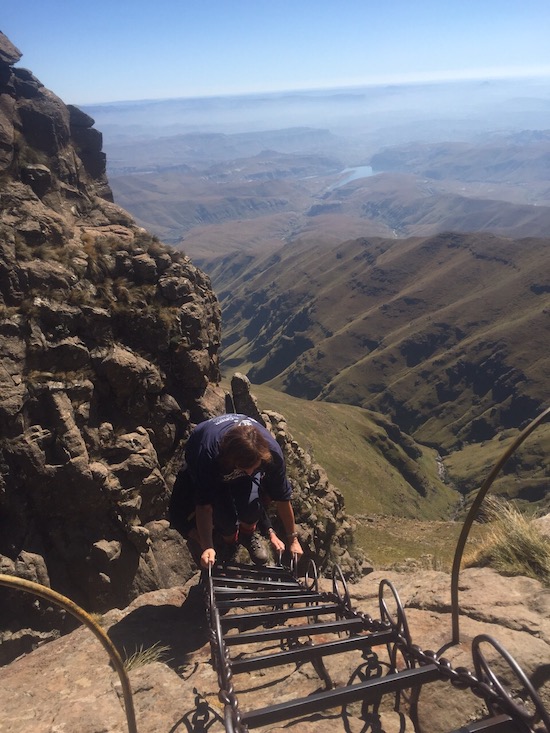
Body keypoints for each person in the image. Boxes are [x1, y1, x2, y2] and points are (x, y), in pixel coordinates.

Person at [169, 413, 303, 568]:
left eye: (254, 467)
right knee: (224, 519)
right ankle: (230, 542)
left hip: (234, 460)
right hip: (208, 457)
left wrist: (293, 540)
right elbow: (204, 506)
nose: (249, 472)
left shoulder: (272, 453)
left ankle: (247, 536)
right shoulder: (209, 455)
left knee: (252, 508)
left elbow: (282, 498)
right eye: (244, 468)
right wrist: (207, 547)